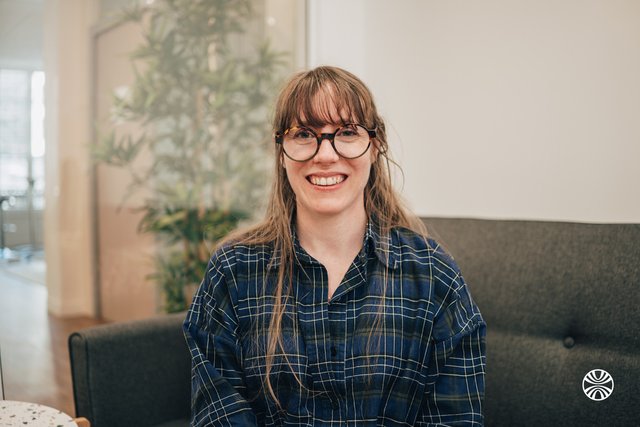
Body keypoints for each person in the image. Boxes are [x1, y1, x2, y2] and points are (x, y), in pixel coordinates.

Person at [183, 66, 486, 426]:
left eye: (347, 132)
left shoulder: (434, 274)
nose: (325, 155)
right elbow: (218, 413)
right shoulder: (233, 270)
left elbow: (456, 418)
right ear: (281, 152)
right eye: (303, 134)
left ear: (375, 146)